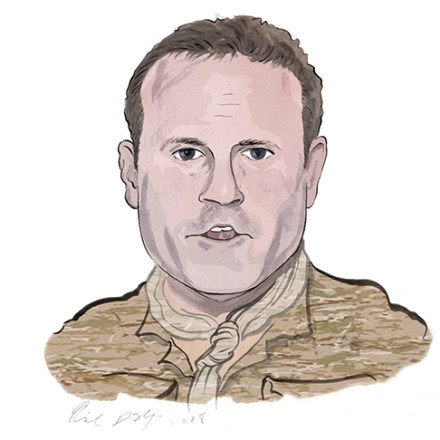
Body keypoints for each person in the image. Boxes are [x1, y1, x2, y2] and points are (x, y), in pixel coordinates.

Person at [45, 15, 431, 405]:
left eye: (256, 153)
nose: (223, 192)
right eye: (188, 153)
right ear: (131, 174)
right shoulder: (72, 361)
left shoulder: (396, 354)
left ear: (310, 173)